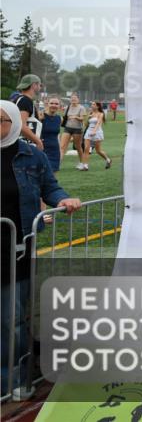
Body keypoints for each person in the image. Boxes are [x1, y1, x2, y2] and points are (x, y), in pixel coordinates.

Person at [2, 100, 81, 396]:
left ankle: (13, 382)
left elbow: (50, 186)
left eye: (1, 120)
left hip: (16, 247)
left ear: (14, 123)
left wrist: (63, 199)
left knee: (13, 319)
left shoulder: (31, 155)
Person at [11, 74, 44, 149]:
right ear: (34, 85)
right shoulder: (25, 100)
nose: (40, 87)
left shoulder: (19, 99)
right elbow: (22, 126)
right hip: (24, 145)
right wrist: (38, 141)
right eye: (39, 85)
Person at [79, 101, 111, 171]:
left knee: (98, 150)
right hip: (88, 132)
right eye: (92, 104)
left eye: (93, 104)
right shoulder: (91, 113)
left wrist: (94, 131)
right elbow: (86, 124)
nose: (92, 105)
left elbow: (98, 123)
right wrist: (88, 117)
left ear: (98, 106)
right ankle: (85, 166)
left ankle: (108, 160)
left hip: (97, 132)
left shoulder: (101, 114)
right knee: (86, 149)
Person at [59, 93, 87, 162]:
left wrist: (75, 117)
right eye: (72, 98)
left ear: (78, 99)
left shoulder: (81, 108)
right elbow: (65, 117)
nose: (73, 99)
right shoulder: (67, 107)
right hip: (67, 128)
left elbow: (82, 119)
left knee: (78, 147)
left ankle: (82, 163)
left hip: (77, 129)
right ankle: (58, 164)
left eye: (75, 98)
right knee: (62, 147)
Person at [39, 97, 63, 172]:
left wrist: (60, 150)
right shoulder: (41, 116)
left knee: (53, 177)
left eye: (56, 104)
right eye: (51, 103)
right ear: (47, 104)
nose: (54, 105)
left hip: (55, 151)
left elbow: (57, 135)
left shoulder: (60, 118)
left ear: (59, 106)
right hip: (42, 149)